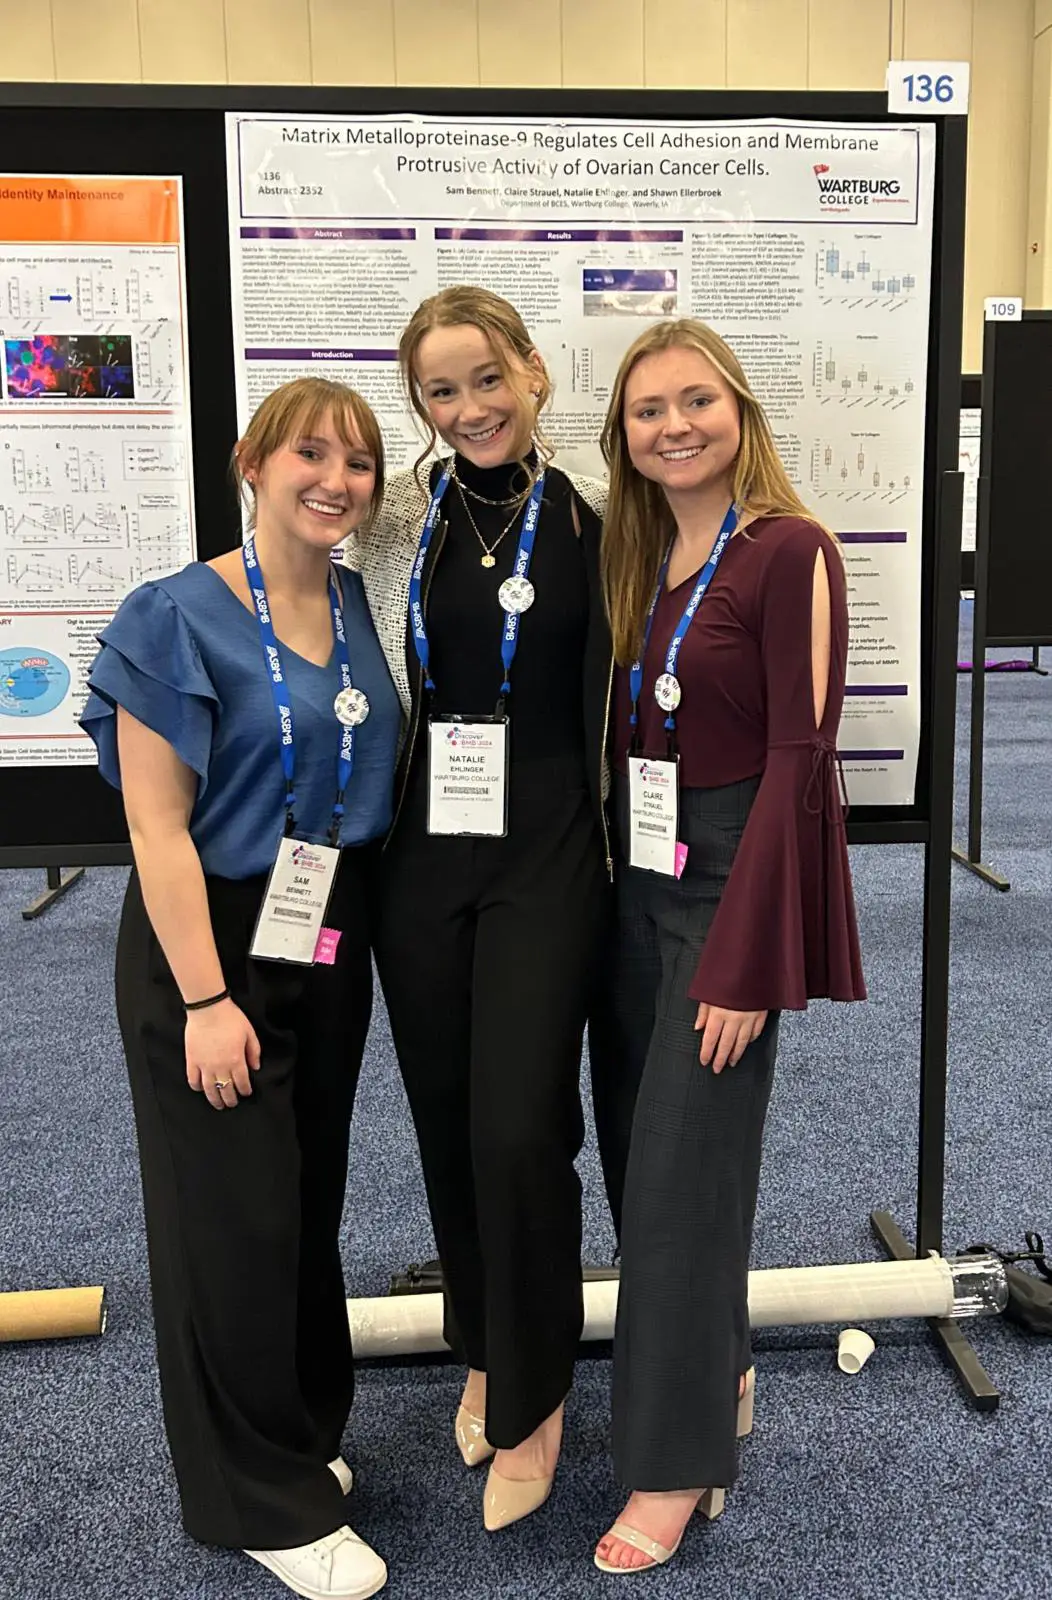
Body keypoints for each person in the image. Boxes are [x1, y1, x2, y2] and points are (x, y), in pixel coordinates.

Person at [81, 377, 400, 1600]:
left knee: (304, 1200)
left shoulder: (355, 600)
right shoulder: (172, 614)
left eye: (358, 462)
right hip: (206, 943)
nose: (335, 480)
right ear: (251, 463)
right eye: (309, 454)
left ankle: (301, 1435)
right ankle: (256, 1501)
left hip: (323, 927)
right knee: (231, 1219)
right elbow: (156, 830)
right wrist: (206, 1001)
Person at [588, 319, 866, 1573]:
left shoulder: (790, 550)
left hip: (725, 884)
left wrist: (748, 958)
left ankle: (672, 1462)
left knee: (676, 1184)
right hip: (635, 880)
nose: (674, 426)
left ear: (738, 410)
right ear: (624, 434)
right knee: (644, 1161)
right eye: (648, 409)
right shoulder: (639, 553)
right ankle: (721, 1369)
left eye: (694, 400)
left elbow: (801, 759)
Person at [348, 286, 612, 1532]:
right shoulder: (398, 517)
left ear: (533, 372)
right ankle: (485, 1342)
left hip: (549, 850)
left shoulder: (597, 513)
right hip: (421, 858)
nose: (468, 408)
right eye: (440, 391)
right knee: (450, 1120)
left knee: (518, 1128)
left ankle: (538, 1387)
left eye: (485, 378)